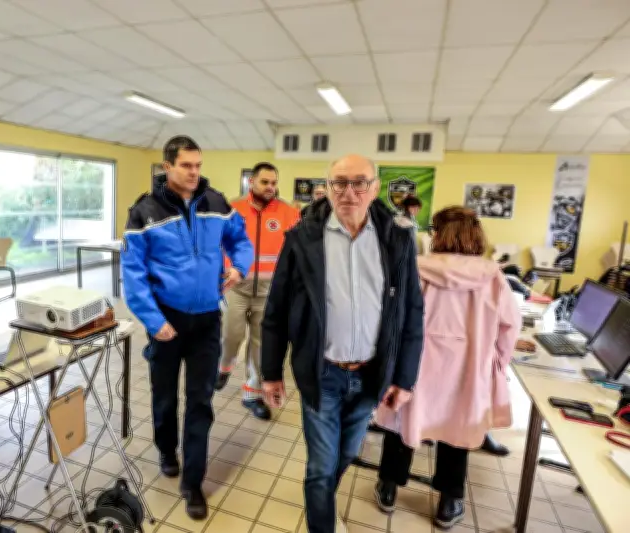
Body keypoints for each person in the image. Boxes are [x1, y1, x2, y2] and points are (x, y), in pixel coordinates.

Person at [261, 154, 424, 533]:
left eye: (359, 182)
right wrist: (270, 372)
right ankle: (322, 520)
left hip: (371, 374)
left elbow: (412, 312)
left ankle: (323, 504)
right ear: (328, 187)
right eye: (340, 182)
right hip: (322, 372)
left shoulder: (397, 240)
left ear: (375, 188)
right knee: (320, 466)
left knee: (347, 452)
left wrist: (405, 378)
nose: (349, 192)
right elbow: (276, 309)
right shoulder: (303, 238)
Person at [121, 136, 253, 520]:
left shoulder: (217, 203)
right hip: (167, 320)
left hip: (207, 320)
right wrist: (154, 321)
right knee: (164, 396)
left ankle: (193, 483)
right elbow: (133, 275)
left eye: (198, 165)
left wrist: (238, 266)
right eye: (186, 165)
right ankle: (166, 450)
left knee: (200, 401)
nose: (194, 172)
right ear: (168, 167)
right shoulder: (144, 212)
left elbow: (240, 239)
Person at [373, 206, 521, 529]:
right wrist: (497, 361)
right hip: (468, 368)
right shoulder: (492, 277)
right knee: (458, 431)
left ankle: (389, 485)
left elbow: (392, 315)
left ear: (438, 234)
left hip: (417, 364)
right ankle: (449, 500)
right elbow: (511, 325)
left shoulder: (416, 268)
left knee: (402, 424)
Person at [215, 163, 300, 420]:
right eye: (265, 182)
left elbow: (296, 253)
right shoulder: (232, 209)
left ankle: (252, 393)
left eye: (273, 182)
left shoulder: (288, 212)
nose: (270, 187)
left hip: (269, 292)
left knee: (260, 345)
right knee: (230, 335)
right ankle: (224, 366)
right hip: (235, 288)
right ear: (251, 182)